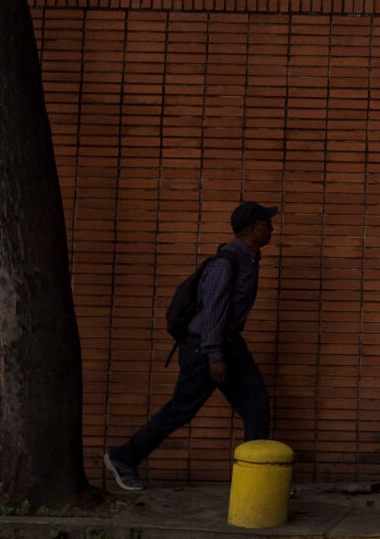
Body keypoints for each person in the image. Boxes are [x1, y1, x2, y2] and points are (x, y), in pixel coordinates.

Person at [103, 200, 276, 492]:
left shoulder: (249, 258)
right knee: (181, 410)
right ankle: (123, 458)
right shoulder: (225, 264)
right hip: (205, 349)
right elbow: (213, 313)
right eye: (267, 223)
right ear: (252, 228)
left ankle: (257, 479)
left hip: (231, 344)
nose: (272, 229)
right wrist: (214, 355)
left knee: (256, 404)